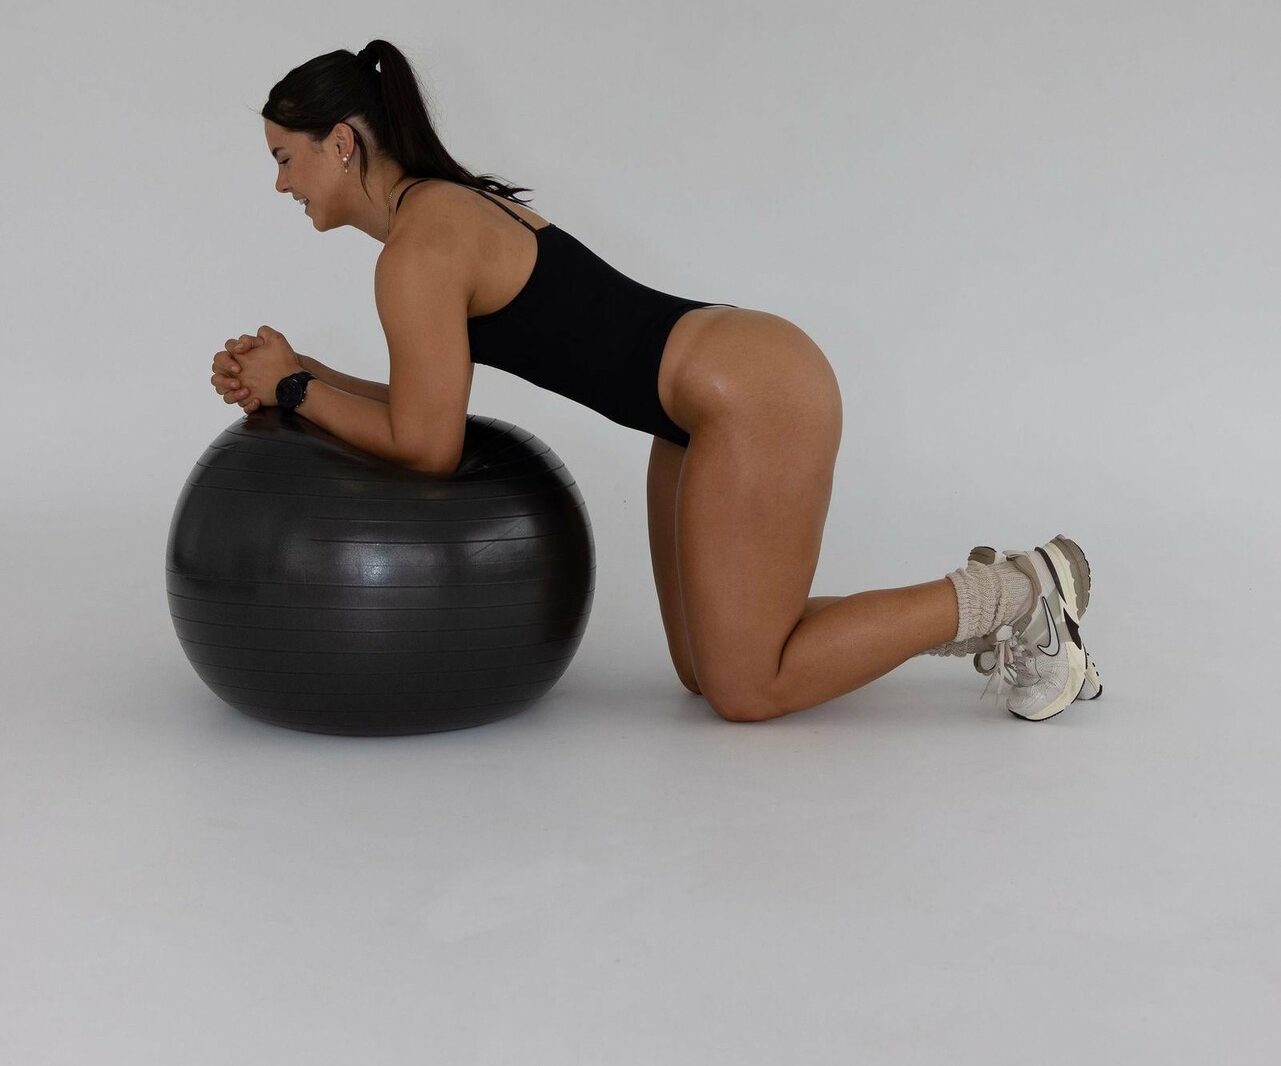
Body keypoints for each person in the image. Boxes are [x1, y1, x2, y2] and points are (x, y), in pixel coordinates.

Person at [211, 39, 1102, 725]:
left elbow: (427, 448)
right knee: (705, 668)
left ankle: (1019, 592)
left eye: (285, 157)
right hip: (694, 404)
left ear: (340, 143)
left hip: (749, 390)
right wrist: (303, 374)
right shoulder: (434, 217)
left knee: (747, 688)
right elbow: (424, 406)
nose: (280, 183)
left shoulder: (417, 250)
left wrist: (293, 392)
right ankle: (999, 611)